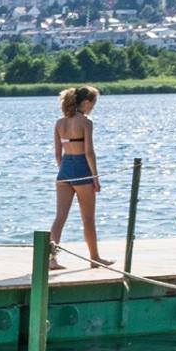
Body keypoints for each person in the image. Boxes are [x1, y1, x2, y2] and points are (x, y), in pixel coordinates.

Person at [49, 84, 110, 269]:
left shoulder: (60, 123)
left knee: (60, 218)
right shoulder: (86, 122)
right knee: (88, 219)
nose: (93, 107)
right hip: (82, 171)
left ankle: (51, 260)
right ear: (86, 102)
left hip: (64, 172)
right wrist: (95, 178)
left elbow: (58, 155)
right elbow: (89, 152)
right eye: (93, 103)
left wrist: (65, 170)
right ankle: (94, 258)